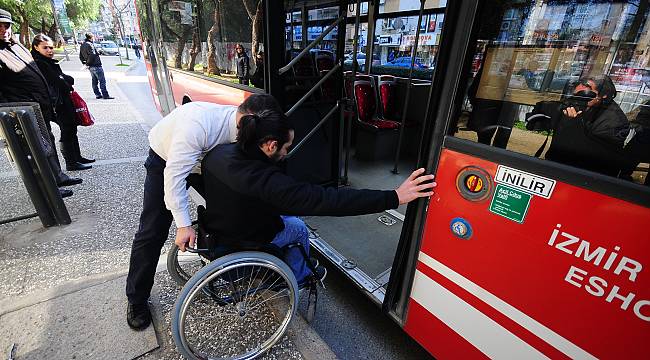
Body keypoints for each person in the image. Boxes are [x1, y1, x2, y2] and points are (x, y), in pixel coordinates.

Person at [193, 112, 436, 289]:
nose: (287, 153)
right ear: (270, 145)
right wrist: (394, 197)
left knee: (288, 217)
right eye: (286, 147)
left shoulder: (217, 153)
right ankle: (300, 277)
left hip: (218, 227)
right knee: (298, 228)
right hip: (243, 239)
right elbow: (330, 200)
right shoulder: (266, 181)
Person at [125, 94, 283, 331]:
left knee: (239, 207)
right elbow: (174, 178)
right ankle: (136, 299)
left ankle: (236, 263)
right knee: (152, 230)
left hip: (206, 162)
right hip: (166, 161)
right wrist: (183, 225)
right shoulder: (199, 125)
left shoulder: (246, 128)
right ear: (249, 119)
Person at [0, 9, 81, 198]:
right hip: (21, 113)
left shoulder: (15, 46)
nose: (3, 30)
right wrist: (9, 116)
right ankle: (48, 189)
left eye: (6, 26)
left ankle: (57, 176)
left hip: (39, 108)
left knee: (47, 143)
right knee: (35, 150)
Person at [528, 75, 632, 176]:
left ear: (603, 95)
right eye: (576, 95)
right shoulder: (573, 103)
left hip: (586, 176)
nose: (579, 99)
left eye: (586, 95)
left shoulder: (615, 121)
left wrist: (574, 124)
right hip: (556, 165)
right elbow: (543, 113)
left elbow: (599, 156)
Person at [31, 34, 94, 172]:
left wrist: (65, 79)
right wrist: (65, 80)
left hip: (63, 100)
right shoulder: (40, 63)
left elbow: (65, 79)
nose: (49, 50)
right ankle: (71, 162)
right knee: (67, 129)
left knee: (72, 128)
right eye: (45, 47)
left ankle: (77, 158)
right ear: (36, 47)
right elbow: (59, 81)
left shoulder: (48, 61)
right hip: (57, 103)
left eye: (51, 47)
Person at [79, 33, 113, 100]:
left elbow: (80, 56)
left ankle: (97, 95)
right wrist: (88, 63)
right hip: (96, 65)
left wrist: (85, 63)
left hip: (90, 67)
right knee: (102, 81)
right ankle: (105, 95)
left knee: (94, 81)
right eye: (93, 37)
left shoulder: (82, 45)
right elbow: (92, 55)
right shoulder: (90, 44)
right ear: (91, 37)